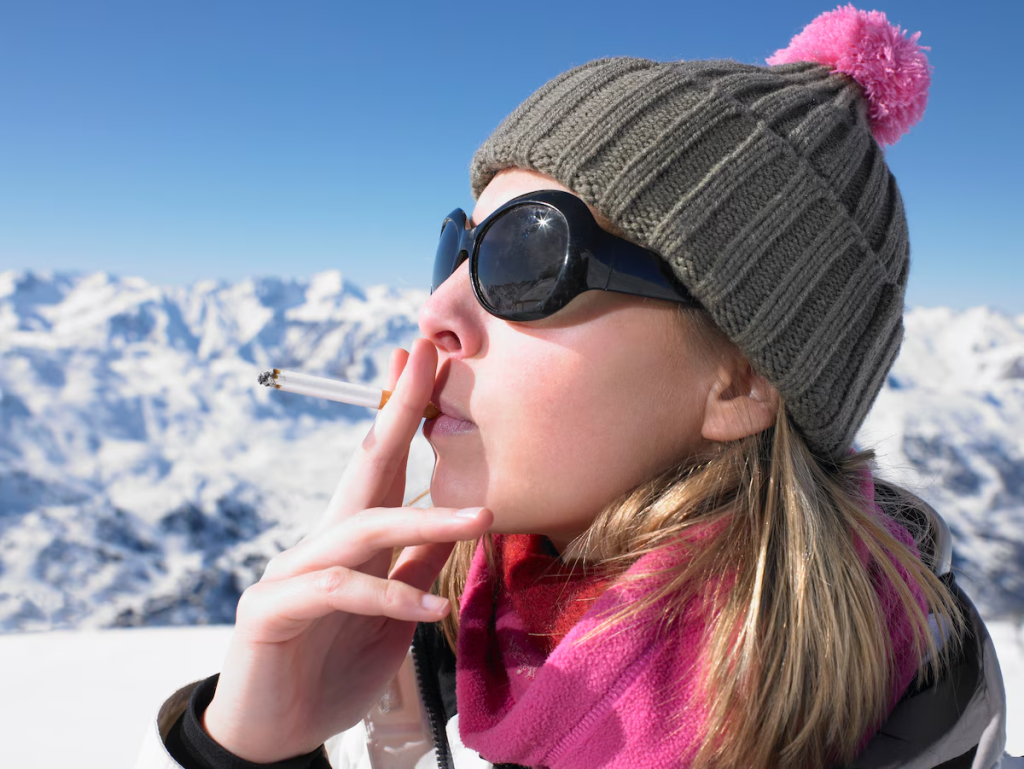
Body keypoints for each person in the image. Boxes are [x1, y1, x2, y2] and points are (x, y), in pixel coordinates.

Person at [136, 6, 1012, 769]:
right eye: (458, 250)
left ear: (741, 377)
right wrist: (251, 747)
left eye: (524, 255)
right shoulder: (445, 644)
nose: (435, 310)